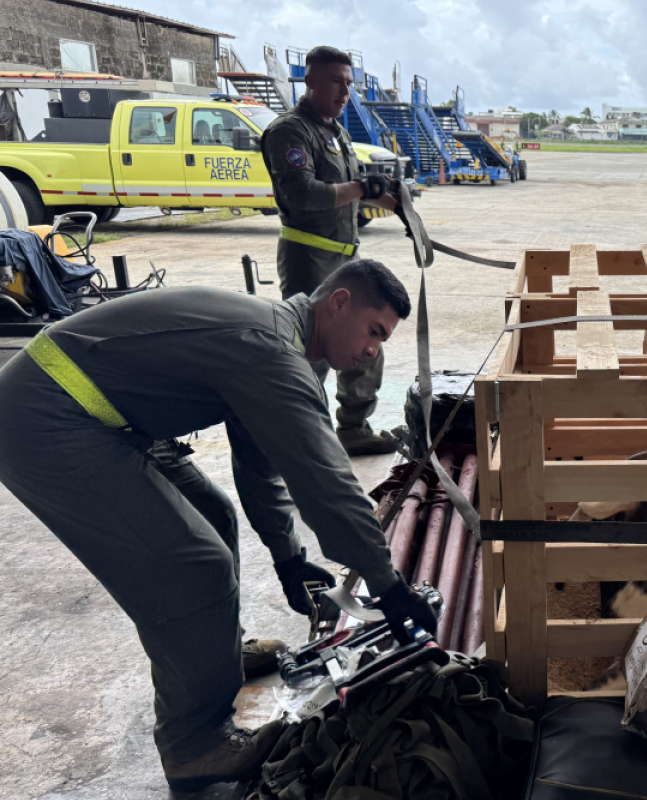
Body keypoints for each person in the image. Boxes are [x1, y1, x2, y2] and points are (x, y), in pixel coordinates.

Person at [0, 260, 440, 791]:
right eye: (375, 330)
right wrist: (388, 586)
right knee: (192, 566)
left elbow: (260, 463)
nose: (375, 350)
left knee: (213, 516)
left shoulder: (282, 343)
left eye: (384, 339)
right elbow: (325, 482)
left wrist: (289, 558)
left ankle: (214, 654)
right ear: (339, 302)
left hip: (99, 411)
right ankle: (193, 744)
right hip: (47, 416)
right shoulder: (271, 350)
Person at [261, 45, 401, 456]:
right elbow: (303, 194)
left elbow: (359, 189)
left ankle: (354, 429)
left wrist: (399, 206)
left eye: (349, 84)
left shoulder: (335, 131)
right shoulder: (291, 131)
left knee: (366, 339)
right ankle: (295, 438)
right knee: (312, 353)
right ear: (310, 81)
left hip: (345, 259)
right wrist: (361, 188)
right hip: (309, 258)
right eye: (336, 82)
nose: (345, 93)